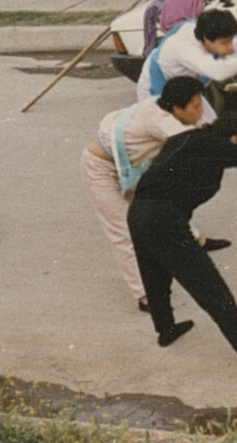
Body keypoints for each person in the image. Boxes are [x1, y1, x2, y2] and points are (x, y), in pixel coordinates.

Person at [128, 93, 237, 381]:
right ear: (233, 138)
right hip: (164, 221)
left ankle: (166, 330)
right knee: (213, 291)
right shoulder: (215, 147)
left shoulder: (194, 138)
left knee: (155, 277)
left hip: (139, 213)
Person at [82, 74, 214, 312]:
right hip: (101, 167)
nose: (199, 112)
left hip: (134, 165)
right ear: (177, 107)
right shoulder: (159, 119)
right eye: (195, 106)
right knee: (125, 230)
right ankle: (145, 295)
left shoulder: (172, 108)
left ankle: (195, 240)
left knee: (165, 205)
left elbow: (204, 130)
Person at [138, 8, 237, 193]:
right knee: (169, 143)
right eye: (224, 43)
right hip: (157, 88)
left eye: (231, 41)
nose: (230, 47)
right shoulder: (181, 46)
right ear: (205, 40)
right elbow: (218, 71)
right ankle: (154, 188)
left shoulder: (221, 33)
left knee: (219, 130)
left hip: (187, 88)